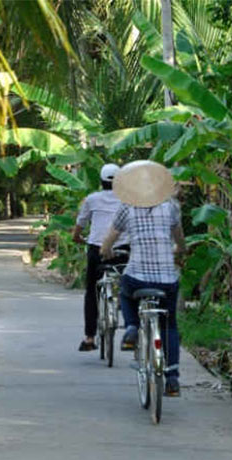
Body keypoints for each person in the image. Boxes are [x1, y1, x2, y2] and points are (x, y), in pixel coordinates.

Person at [100, 160, 186, 397]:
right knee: (170, 325)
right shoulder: (171, 206)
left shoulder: (127, 207)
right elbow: (179, 238)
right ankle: (172, 379)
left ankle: (131, 327)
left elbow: (110, 237)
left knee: (125, 292)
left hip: (137, 276)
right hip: (167, 280)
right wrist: (180, 250)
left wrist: (105, 251)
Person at [72, 163, 130, 352]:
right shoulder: (127, 200)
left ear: (101, 181)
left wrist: (78, 238)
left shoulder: (92, 199)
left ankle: (89, 337)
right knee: (129, 287)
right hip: (122, 250)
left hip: (97, 250)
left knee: (92, 291)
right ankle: (133, 328)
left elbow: (80, 225)